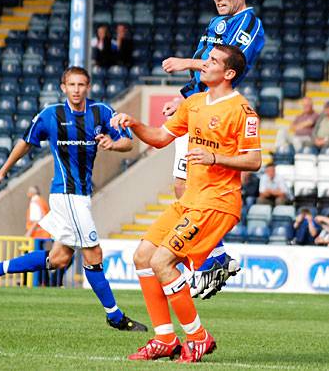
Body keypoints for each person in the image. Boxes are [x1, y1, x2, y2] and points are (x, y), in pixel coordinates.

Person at [111, 45, 262, 362]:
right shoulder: (193, 103)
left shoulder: (242, 110)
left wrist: (214, 156)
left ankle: (198, 337)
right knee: (142, 257)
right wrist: (133, 123)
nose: (204, 65)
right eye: (205, 59)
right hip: (191, 199)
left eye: (213, 62)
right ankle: (165, 339)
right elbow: (159, 138)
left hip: (217, 202)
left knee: (162, 262)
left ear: (229, 73)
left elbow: (254, 159)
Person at [0, 66, 147, 333]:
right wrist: (2, 171)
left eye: (81, 85)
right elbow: (25, 142)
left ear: (88, 86)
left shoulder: (101, 112)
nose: (77, 90)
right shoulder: (50, 115)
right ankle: (115, 316)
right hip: (66, 194)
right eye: (72, 85)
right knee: (94, 253)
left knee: (58, 259)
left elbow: (129, 143)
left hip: (81, 195)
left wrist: (113, 144)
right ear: (63, 87)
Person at [161, 0, 264, 298]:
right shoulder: (215, 24)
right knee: (181, 186)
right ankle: (217, 257)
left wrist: (185, 63)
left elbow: (229, 65)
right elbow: (205, 72)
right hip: (197, 104)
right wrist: (181, 97)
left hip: (218, 112)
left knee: (192, 188)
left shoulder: (250, 24)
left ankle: (216, 257)